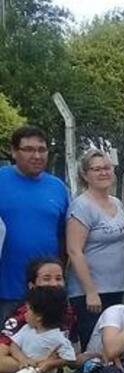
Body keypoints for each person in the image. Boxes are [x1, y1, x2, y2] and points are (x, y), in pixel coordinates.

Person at [0, 125, 70, 321]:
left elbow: (64, 237)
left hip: (45, 292)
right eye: (29, 150)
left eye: (42, 150)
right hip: (6, 290)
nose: (37, 156)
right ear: (14, 152)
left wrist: (58, 277)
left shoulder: (57, 188)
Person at [66, 149, 124, 349]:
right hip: (91, 294)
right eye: (96, 169)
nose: (103, 172)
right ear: (85, 175)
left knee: (114, 348)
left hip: (117, 287)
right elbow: (74, 250)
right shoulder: (82, 206)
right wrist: (90, 291)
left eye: (107, 167)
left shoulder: (117, 203)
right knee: (94, 348)